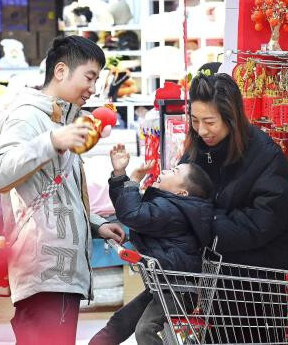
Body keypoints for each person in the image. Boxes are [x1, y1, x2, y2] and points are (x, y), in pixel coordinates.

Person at [0, 36, 125, 345]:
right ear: (60, 71)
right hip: (45, 270)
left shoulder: (64, 119)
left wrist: (96, 225)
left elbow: (61, 192)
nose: (93, 88)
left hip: (59, 272)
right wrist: (52, 141)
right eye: (89, 77)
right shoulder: (28, 116)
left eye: (96, 80)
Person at [178, 70, 288, 342]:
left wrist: (206, 224)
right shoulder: (197, 151)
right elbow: (181, 198)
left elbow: (264, 221)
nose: (201, 130)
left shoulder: (265, 156)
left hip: (256, 290)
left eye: (209, 121)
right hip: (213, 286)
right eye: (195, 121)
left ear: (231, 118)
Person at [89, 148, 214, 345]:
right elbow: (126, 209)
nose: (165, 171)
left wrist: (131, 181)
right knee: (121, 321)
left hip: (179, 291)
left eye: (173, 171)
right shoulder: (168, 205)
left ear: (182, 192)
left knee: (145, 329)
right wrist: (121, 177)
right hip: (164, 286)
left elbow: (131, 214)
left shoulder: (173, 211)